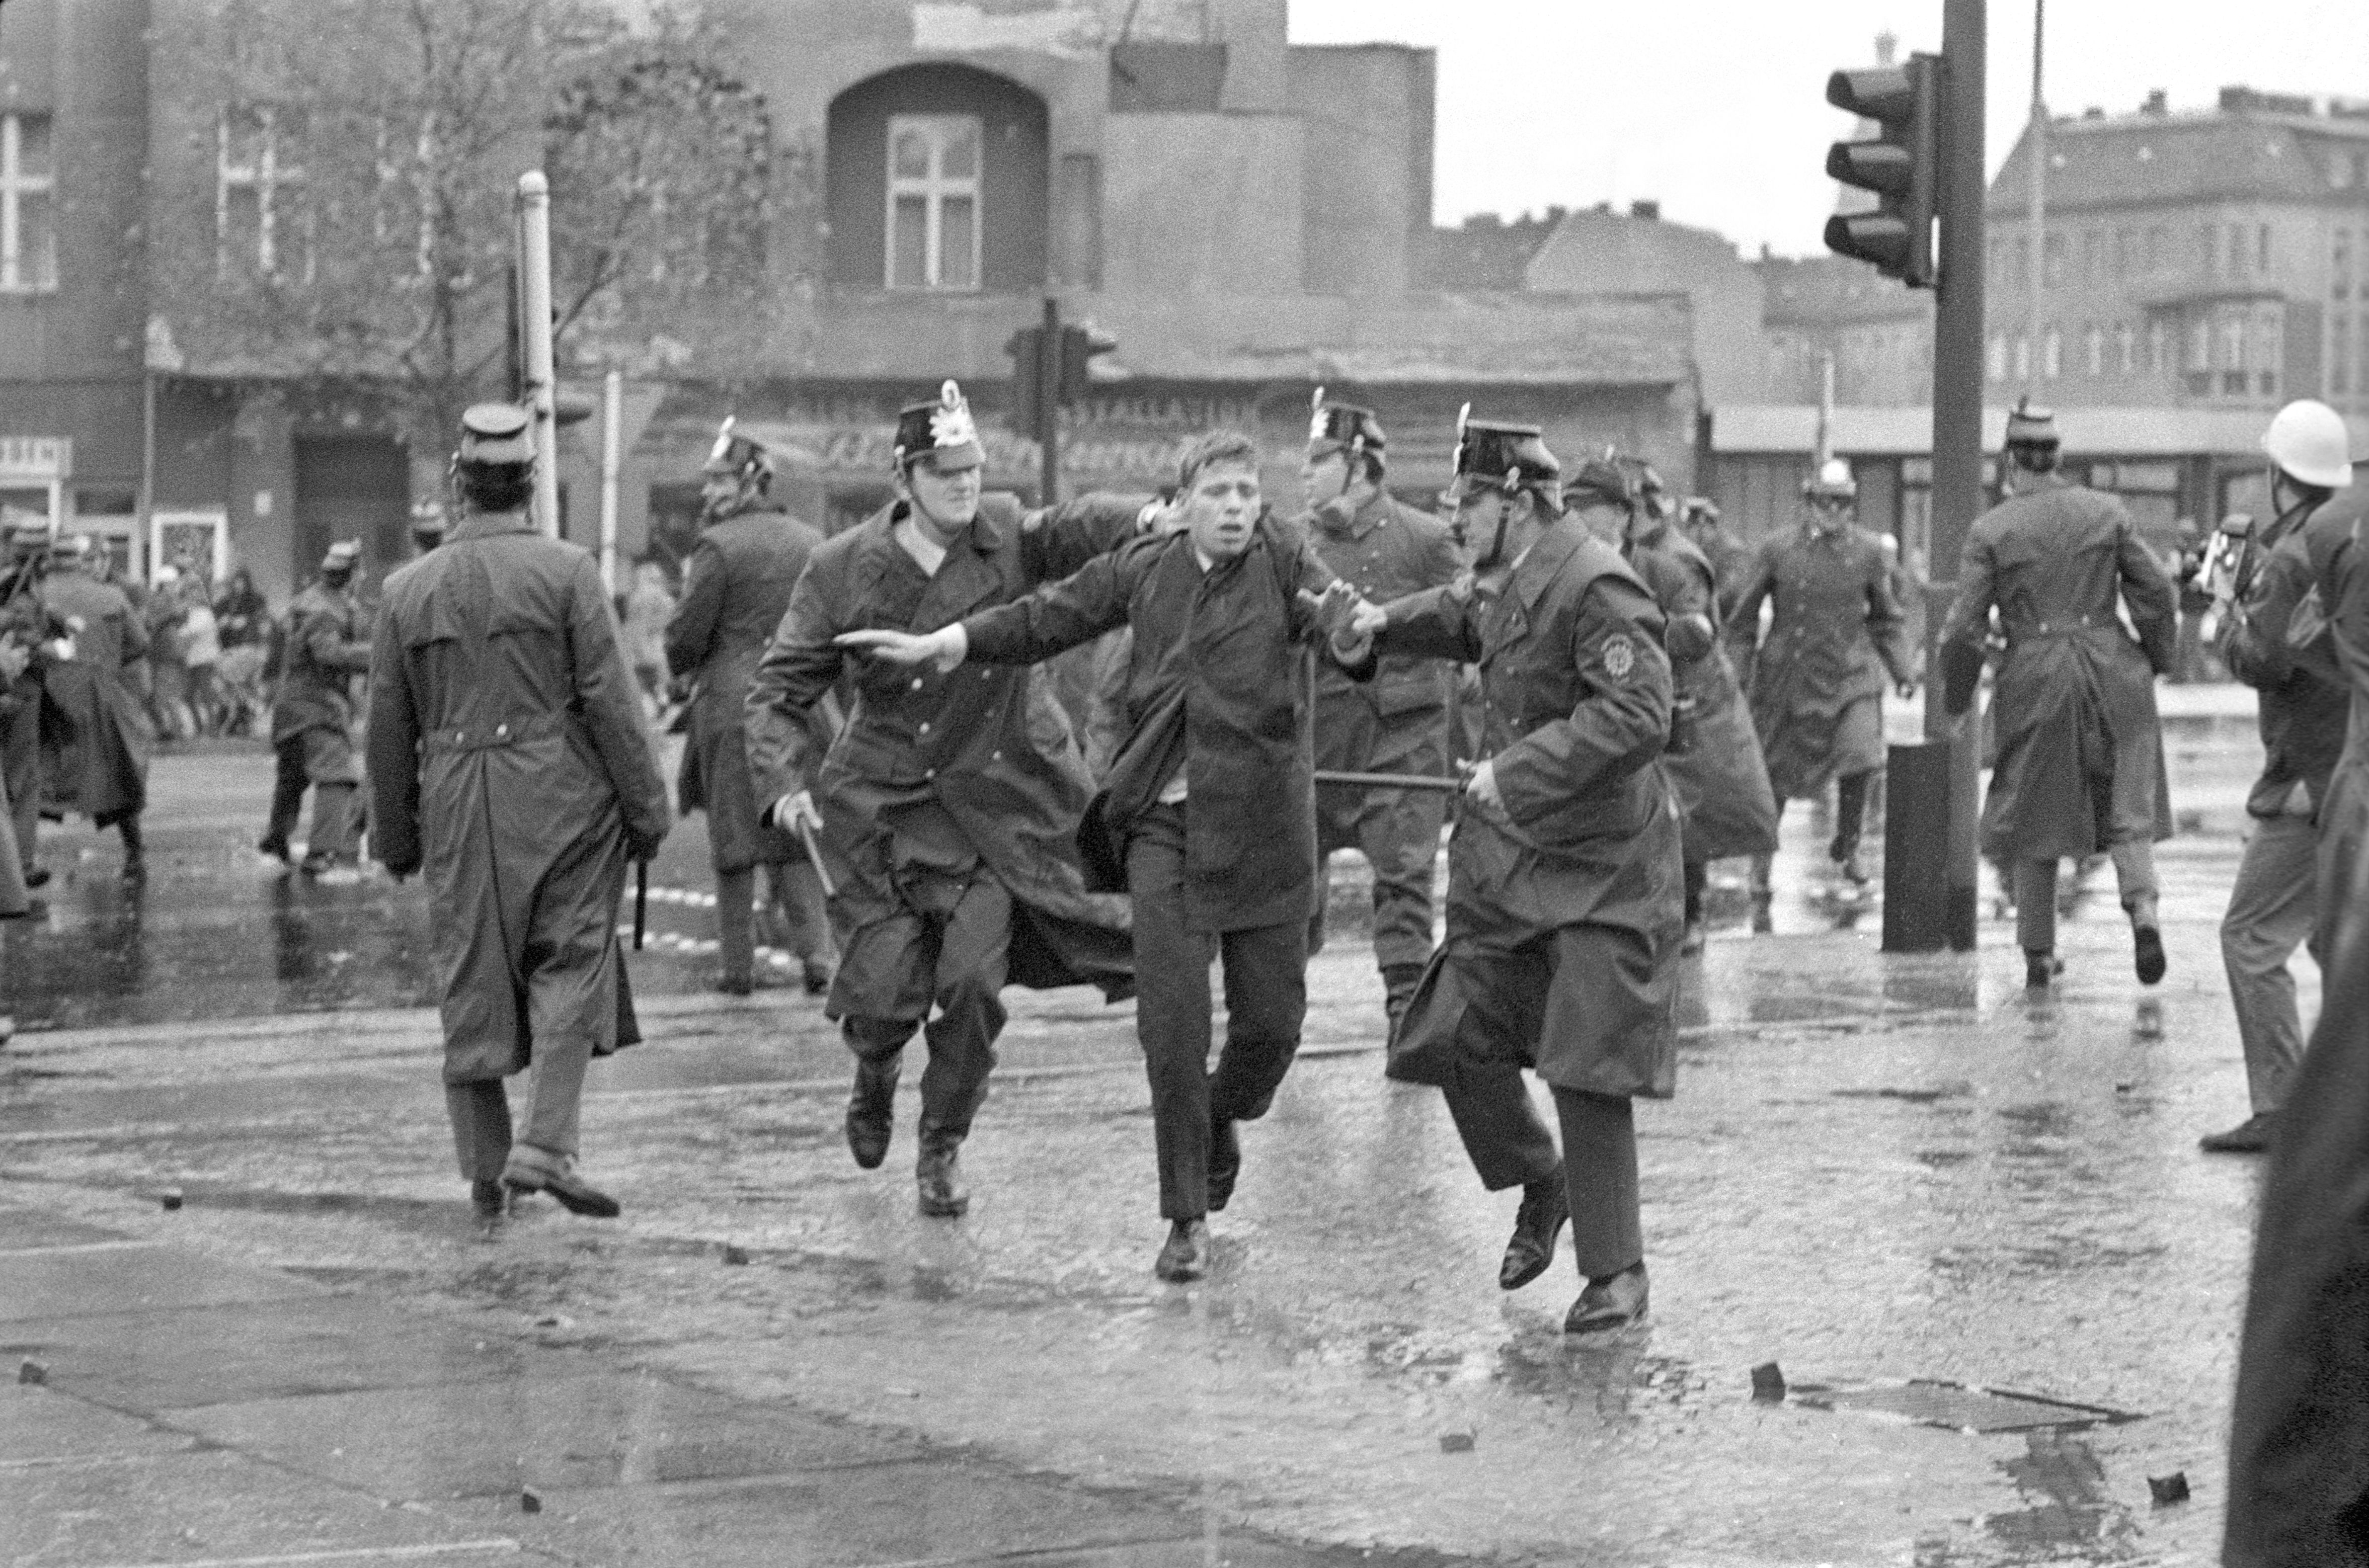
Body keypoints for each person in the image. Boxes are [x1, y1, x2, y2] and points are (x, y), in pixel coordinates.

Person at [835, 427, 1365, 1281]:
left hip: (1265, 829)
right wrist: (947, 643)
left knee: (1270, 1030)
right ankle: (1185, 1218)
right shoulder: (1146, 568)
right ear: (1183, 502)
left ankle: (1220, 1114)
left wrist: (1352, 635)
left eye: (1246, 492)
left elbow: (1335, 617)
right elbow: (1048, 616)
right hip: (1162, 826)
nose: (1234, 508)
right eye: (1217, 493)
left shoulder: (1282, 555)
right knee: (1171, 1026)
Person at [743, 381, 1139, 1222]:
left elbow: (1076, 527)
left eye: (971, 468)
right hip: (884, 807)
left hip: (996, 799)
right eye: (943, 471)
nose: (963, 484)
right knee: (883, 997)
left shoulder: (1004, 535)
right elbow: (779, 689)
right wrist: (782, 784)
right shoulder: (841, 566)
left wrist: (1148, 518)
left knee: (973, 989)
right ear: (904, 478)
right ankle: (875, 1066)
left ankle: (941, 1145)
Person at [1339, 410, 1683, 1334]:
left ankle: (1617, 1272)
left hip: (1605, 865)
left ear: (1519, 503)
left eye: (1467, 502)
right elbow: (1464, 613)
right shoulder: (1511, 574)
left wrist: (1512, 772)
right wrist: (1380, 626)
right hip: (1520, 859)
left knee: (1583, 1058)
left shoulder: (1597, 585)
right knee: (1451, 1031)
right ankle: (1543, 1181)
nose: (1454, 518)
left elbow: (1641, 716)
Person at [366, 404, 670, 1233]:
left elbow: (388, 729)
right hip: (565, 791)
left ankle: (484, 1174)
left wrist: (395, 839)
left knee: (470, 977)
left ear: (459, 487)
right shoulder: (567, 571)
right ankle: (547, 1143)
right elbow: (613, 703)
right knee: (571, 959)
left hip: (458, 797)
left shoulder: (404, 590)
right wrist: (647, 810)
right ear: (529, 486)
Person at [1939, 402, 2177, 989]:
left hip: (2036, 675)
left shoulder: (1992, 530)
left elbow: (1964, 627)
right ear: (2059, 458)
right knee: (2127, 804)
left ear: (2010, 461)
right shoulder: (2106, 512)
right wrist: (2156, 656)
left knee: (2035, 815)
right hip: (2112, 664)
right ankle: (2143, 911)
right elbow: (2157, 588)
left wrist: (1957, 698)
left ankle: (2038, 955)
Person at [2200, 402, 2356, 1155]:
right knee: (2336, 941)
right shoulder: (2346, 538)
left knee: (2252, 935)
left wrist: (2225, 615)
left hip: (2311, 774)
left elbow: (2266, 657)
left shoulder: (2294, 556)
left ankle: (2284, 1109)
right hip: (2350, 766)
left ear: (2278, 476)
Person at [1297, 390, 1464, 1034]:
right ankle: (1278, 1007)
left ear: (1360, 464)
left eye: (1319, 460)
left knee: (1404, 879)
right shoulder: (1292, 543)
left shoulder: (1424, 539)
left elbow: (1469, 615)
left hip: (1403, 739)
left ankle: (1406, 1010)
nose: (1305, 474)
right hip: (1319, 741)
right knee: (1292, 885)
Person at [1575, 457, 1776, 953]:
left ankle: (1689, 916)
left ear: (1629, 510)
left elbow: (1697, 632)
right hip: (1622, 702)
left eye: (1589, 507)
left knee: (1684, 818)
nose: (1576, 518)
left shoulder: (1672, 561)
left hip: (1682, 703)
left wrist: (1634, 637)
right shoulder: (1584, 562)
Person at [665, 418, 835, 998]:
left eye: (720, 481)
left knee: (735, 839)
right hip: (801, 704)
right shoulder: (812, 544)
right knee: (794, 831)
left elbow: (686, 638)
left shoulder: (715, 547)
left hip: (733, 708)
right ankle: (819, 960)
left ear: (752, 483)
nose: (709, 492)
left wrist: (680, 662)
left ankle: (737, 970)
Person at [1728, 459, 1915, 916]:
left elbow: (1887, 619)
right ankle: (1760, 869)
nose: (1834, 511)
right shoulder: (1777, 550)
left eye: (1843, 503)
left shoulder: (1870, 553)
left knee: (1862, 757)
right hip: (1787, 680)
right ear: (1809, 503)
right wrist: (1735, 674)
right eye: (1825, 501)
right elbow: (1743, 620)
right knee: (1772, 779)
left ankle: (1849, 843)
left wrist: (1904, 670)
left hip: (1850, 674)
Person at [36, 533, 153, 881]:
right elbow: (140, 643)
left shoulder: (37, 594)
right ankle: (134, 851)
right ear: (82, 562)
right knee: (120, 774)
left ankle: (18, 861)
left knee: (29, 781)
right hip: (100, 695)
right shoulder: (111, 596)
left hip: (48, 695)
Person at [260, 541, 375, 882]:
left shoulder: (310, 602)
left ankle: (274, 844)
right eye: (361, 572)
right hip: (315, 709)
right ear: (352, 574)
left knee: (292, 778)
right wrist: (379, 652)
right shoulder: (324, 609)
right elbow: (329, 655)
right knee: (337, 774)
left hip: (292, 709)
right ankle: (321, 853)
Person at [0, 522, 54, 886]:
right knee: (23, 781)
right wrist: (48, 648)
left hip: (14, 692)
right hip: (19, 693)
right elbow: (23, 640)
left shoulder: (13, 586)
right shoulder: (20, 596)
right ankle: (20, 866)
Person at [213, 567, 270, 737]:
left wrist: (247, 622)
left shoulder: (256, 601)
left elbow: (263, 623)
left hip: (249, 648)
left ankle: (243, 716)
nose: (239, 586)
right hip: (231, 648)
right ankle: (240, 716)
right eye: (236, 582)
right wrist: (225, 623)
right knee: (233, 684)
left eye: (242, 582)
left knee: (243, 684)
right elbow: (217, 620)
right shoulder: (226, 602)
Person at [621, 560, 675, 715]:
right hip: (656, 648)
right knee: (658, 682)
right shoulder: (667, 600)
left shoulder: (636, 598)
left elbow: (632, 625)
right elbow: (667, 625)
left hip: (634, 648)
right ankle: (662, 700)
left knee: (636, 683)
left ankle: (639, 710)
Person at [176, 574, 224, 736]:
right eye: (189, 593)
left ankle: (213, 728)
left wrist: (180, 633)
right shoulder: (190, 613)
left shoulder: (204, 614)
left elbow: (191, 632)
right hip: (193, 659)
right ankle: (200, 726)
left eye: (194, 592)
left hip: (205, 659)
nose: (191, 596)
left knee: (206, 693)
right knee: (188, 695)